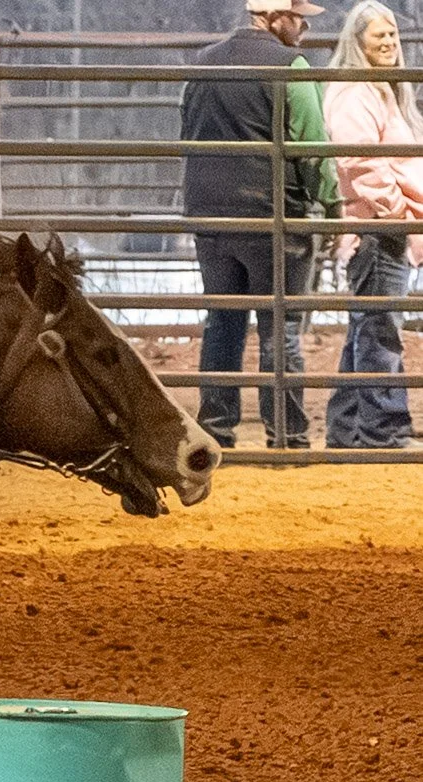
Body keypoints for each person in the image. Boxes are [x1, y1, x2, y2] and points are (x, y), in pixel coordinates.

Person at [180, 0, 341, 449]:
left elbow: (187, 129)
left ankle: (215, 430)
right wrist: (331, 206)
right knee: (280, 329)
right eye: (298, 16)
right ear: (273, 17)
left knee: (222, 322)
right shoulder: (291, 65)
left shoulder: (204, 62)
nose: (305, 25)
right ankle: (286, 434)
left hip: (212, 213)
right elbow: (311, 144)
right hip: (271, 214)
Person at [323, 1, 423, 448]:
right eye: (378, 36)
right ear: (358, 41)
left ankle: (346, 428)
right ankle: (384, 429)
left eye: (392, 36)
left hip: (384, 224)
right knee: (380, 328)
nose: (388, 44)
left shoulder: (379, 89)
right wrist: (396, 212)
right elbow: (358, 159)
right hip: (379, 226)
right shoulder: (355, 91)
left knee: (368, 326)